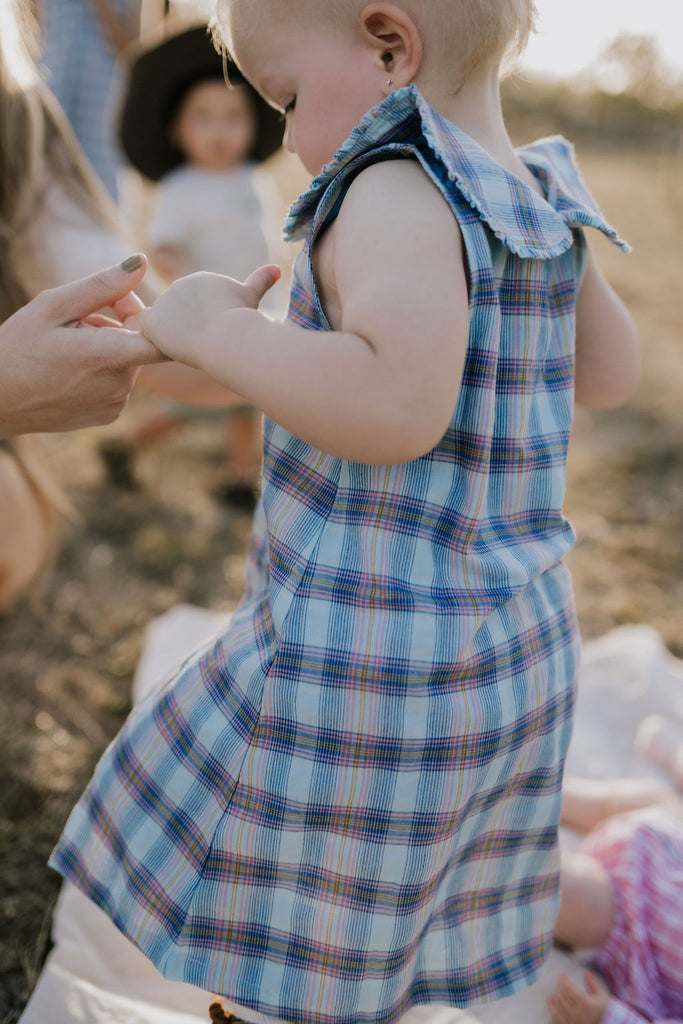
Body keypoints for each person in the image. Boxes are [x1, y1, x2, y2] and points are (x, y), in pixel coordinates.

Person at [49, 1, 640, 1021]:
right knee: (417, 876)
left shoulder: (393, 180)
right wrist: (197, 347)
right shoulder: (541, 191)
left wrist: (217, 333)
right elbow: (606, 374)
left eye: (283, 97)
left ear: (387, 44)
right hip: (512, 646)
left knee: (313, 887)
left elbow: (389, 404)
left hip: (375, 653)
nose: (283, 135)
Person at [98, 24, 284, 507]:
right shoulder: (180, 189)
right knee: (193, 405)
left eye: (233, 117)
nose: (220, 130)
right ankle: (125, 446)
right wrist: (168, 265)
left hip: (254, 307)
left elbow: (266, 236)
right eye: (203, 118)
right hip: (208, 311)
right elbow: (165, 246)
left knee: (248, 400)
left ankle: (241, 481)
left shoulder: (251, 178)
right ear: (178, 129)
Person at [551, 775, 683, 1024]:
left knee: (574, 894)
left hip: (631, 920)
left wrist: (610, 1017)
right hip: (663, 840)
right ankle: (527, 783)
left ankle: (482, 840)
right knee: (652, 797)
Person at [38, 0, 142, 199]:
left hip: (99, 109)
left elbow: (135, 51)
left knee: (102, 191)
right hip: (49, 94)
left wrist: (102, 8)